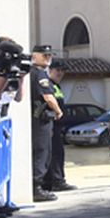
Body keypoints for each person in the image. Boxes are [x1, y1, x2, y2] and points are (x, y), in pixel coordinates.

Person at [30, 44, 62, 202]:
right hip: (40, 119)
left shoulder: (34, 72)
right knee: (42, 152)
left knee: (44, 152)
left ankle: (41, 185)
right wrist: (58, 110)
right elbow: (48, 97)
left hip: (40, 119)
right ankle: (36, 187)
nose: (48, 58)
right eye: (44, 55)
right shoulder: (39, 74)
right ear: (35, 56)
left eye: (49, 55)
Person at [43, 61, 75, 192]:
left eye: (63, 70)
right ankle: (56, 181)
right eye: (58, 70)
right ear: (50, 70)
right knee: (55, 155)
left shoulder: (56, 86)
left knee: (58, 154)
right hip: (51, 125)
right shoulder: (48, 84)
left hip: (57, 127)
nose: (60, 73)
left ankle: (57, 180)